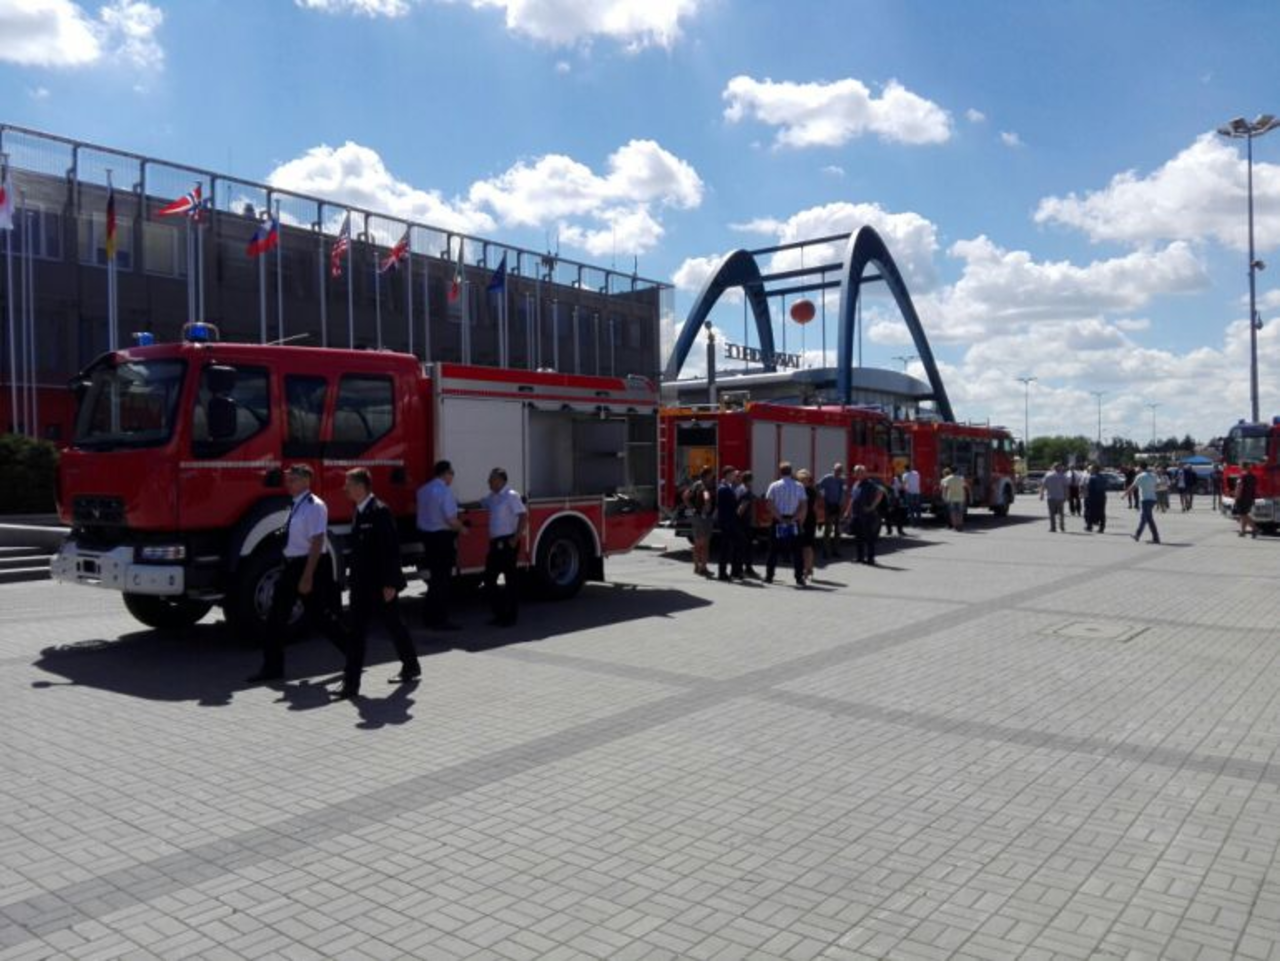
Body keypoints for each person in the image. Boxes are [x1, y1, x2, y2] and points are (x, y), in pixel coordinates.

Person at [248, 464, 349, 684]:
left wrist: (307, 576)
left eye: (293, 480)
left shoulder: (315, 506)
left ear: (306, 481)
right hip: (292, 565)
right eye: (288, 479)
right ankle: (273, 667)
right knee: (276, 617)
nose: (288, 483)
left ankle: (353, 653)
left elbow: (317, 542)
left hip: (308, 565)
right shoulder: (296, 504)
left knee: (321, 617)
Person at [336, 468, 420, 699]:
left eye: (348, 484)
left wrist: (391, 583)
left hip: (380, 585)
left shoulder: (379, 511)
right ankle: (351, 684)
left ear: (360, 487)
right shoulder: (359, 510)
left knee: (394, 625)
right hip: (361, 585)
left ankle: (411, 665)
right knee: (356, 632)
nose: (345, 488)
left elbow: (390, 549)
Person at [417, 459, 464, 630]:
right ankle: (440, 619)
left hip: (428, 538)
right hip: (442, 539)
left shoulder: (423, 490)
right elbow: (451, 519)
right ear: (445, 474)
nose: (452, 477)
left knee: (435, 579)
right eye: (452, 473)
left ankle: (429, 616)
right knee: (442, 581)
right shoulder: (445, 491)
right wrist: (463, 529)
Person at [481, 467, 528, 625]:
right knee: (489, 579)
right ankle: (500, 613)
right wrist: (458, 505)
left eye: (491, 479)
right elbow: (481, 503)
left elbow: (523, 516)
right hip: (495, 543)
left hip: (508, 542)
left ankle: (510, 616)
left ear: (500, 480)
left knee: (510, 580)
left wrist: (516, 538)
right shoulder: (492, 496)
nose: (488, 482)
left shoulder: (511, 495)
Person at [764, 461, 807, 586]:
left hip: (778, 520)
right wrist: (794, 519)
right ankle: (799, 578)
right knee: (797, 551)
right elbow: (803, 506)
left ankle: (769, 576)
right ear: (791, 472)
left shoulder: (774, 485)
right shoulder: (799, 486)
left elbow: (769, 505)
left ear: (780, 472)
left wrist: (780, 518)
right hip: (793, 520)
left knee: (773, 549)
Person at [847, 466, 884, 564]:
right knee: (858, 537)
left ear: (864, 473)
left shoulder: (870, 484)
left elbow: (880, 493)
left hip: (866, 515)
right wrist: (847, 511)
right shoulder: (856, 484)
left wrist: (872, 507)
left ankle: (870, 558)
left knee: (869, 537)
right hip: (856, 514)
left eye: (858, 472)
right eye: (855, 472)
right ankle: (860, 557)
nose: (856, 474)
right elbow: (852, 499)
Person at [716, 466, 745, 581]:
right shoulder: (724, 488)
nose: (734, 476)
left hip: (729, 522)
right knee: (727, 547)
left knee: (734, 545)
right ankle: (724, 573)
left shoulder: (726, 487)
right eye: (733, 474)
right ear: (728, 475)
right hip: (728, 522)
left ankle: (734, 571)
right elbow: (731, 506)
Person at [684, 466, 714, 577]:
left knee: (697, 544)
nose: (712, 477)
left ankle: (696, 567)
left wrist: (692, 508)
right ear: (707, 475)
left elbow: (685, 496)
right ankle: (703, 568)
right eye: (711, 474)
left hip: (695, 517)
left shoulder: (696, 484)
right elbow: (707, 498)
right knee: (705, 545)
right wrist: (707, 508)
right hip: (703, 518)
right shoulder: (705, 486)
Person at [1123, 463, 1161, 544]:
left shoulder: (1140, 476)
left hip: (1145, 499)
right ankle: (1153, 537)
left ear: (1140, 468)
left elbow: (1133, 487)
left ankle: (1139, 535)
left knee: (1145, 518)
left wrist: (1125, 494)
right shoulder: (1153, 475)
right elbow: (1158, 486)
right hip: (1153, 499)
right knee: (1148, 519)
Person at [816, 463, 847, 558]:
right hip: (829, 506)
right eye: (837, 470)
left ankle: (836, 551)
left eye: (840, 470)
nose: (838, 472)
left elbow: (844, 492)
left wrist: (843, 504)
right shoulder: (827, 478)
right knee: (828, 530)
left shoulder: (843, 480)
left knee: (838, 530)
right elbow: (818, 486)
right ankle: (826, 551)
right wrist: (822, 497)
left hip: (839, 507)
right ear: (833, 470)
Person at [735, 471, 762, 578]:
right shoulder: (746, 491)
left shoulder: (739, 489)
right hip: (745, 523)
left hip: (740, 523)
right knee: (747, 547)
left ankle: (741, 568)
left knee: (741, 547)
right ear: (750, 480)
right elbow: (741, 508)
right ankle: (746, 569)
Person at [797, 469, 819, 578]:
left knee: (805, 545)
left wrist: (800, 521)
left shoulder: (801, 491)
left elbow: (800, 507)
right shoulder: (813, 490)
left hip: (804, 518)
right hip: (811, 518)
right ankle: (809, 568)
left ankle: (806, 569)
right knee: (809, 545)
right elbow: (815, 507)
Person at [1039, 463, 1068, 532]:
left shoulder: (1048, 475)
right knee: (1061, 513)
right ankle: (1062, 526)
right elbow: (1066, 487)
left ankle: (1053, 527)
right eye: (1061, 467)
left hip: (1051, 497)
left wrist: (1041, 494)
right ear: (1059, 468)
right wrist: (1066, 496)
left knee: (1051, 513)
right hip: (1060, 497)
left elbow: (1043, 485)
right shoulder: (1063, 476)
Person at [941, 467, 970, 531]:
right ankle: (960, 525)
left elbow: (945, 488)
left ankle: (955, 526)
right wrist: (965, 496)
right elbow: (965, 487)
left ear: (951, 471)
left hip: (951, 497)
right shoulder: (961, 478)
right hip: (960, 497)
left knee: (953, 513)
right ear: (957, 471)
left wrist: (944, 497)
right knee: (960, 513)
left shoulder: (947, 479)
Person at [1234, 466, 1259, 538]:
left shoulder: (1242, 476)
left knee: (1243, 515)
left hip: (1242, 498)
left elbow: (1239, 487)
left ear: (1243, 468)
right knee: (1244, 514)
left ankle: (1255, 528)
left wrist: (1236, 497)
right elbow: (1254, 488)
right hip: (1249, 498)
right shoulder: (1253, 477)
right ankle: (1243, 531)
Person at [1083, 463, 1108, 533]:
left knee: (1090, 512)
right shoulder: (1103, 477)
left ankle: (1089, 526)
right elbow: (1106, 486)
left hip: (1093, 497)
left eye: (1091, 469)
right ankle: (1102, 527)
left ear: (1094, 469)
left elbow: (1089, 488)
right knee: (1101, 512)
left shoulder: (1092, 478)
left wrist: (1086, 495)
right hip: (1102, 496)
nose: (1090, 470)